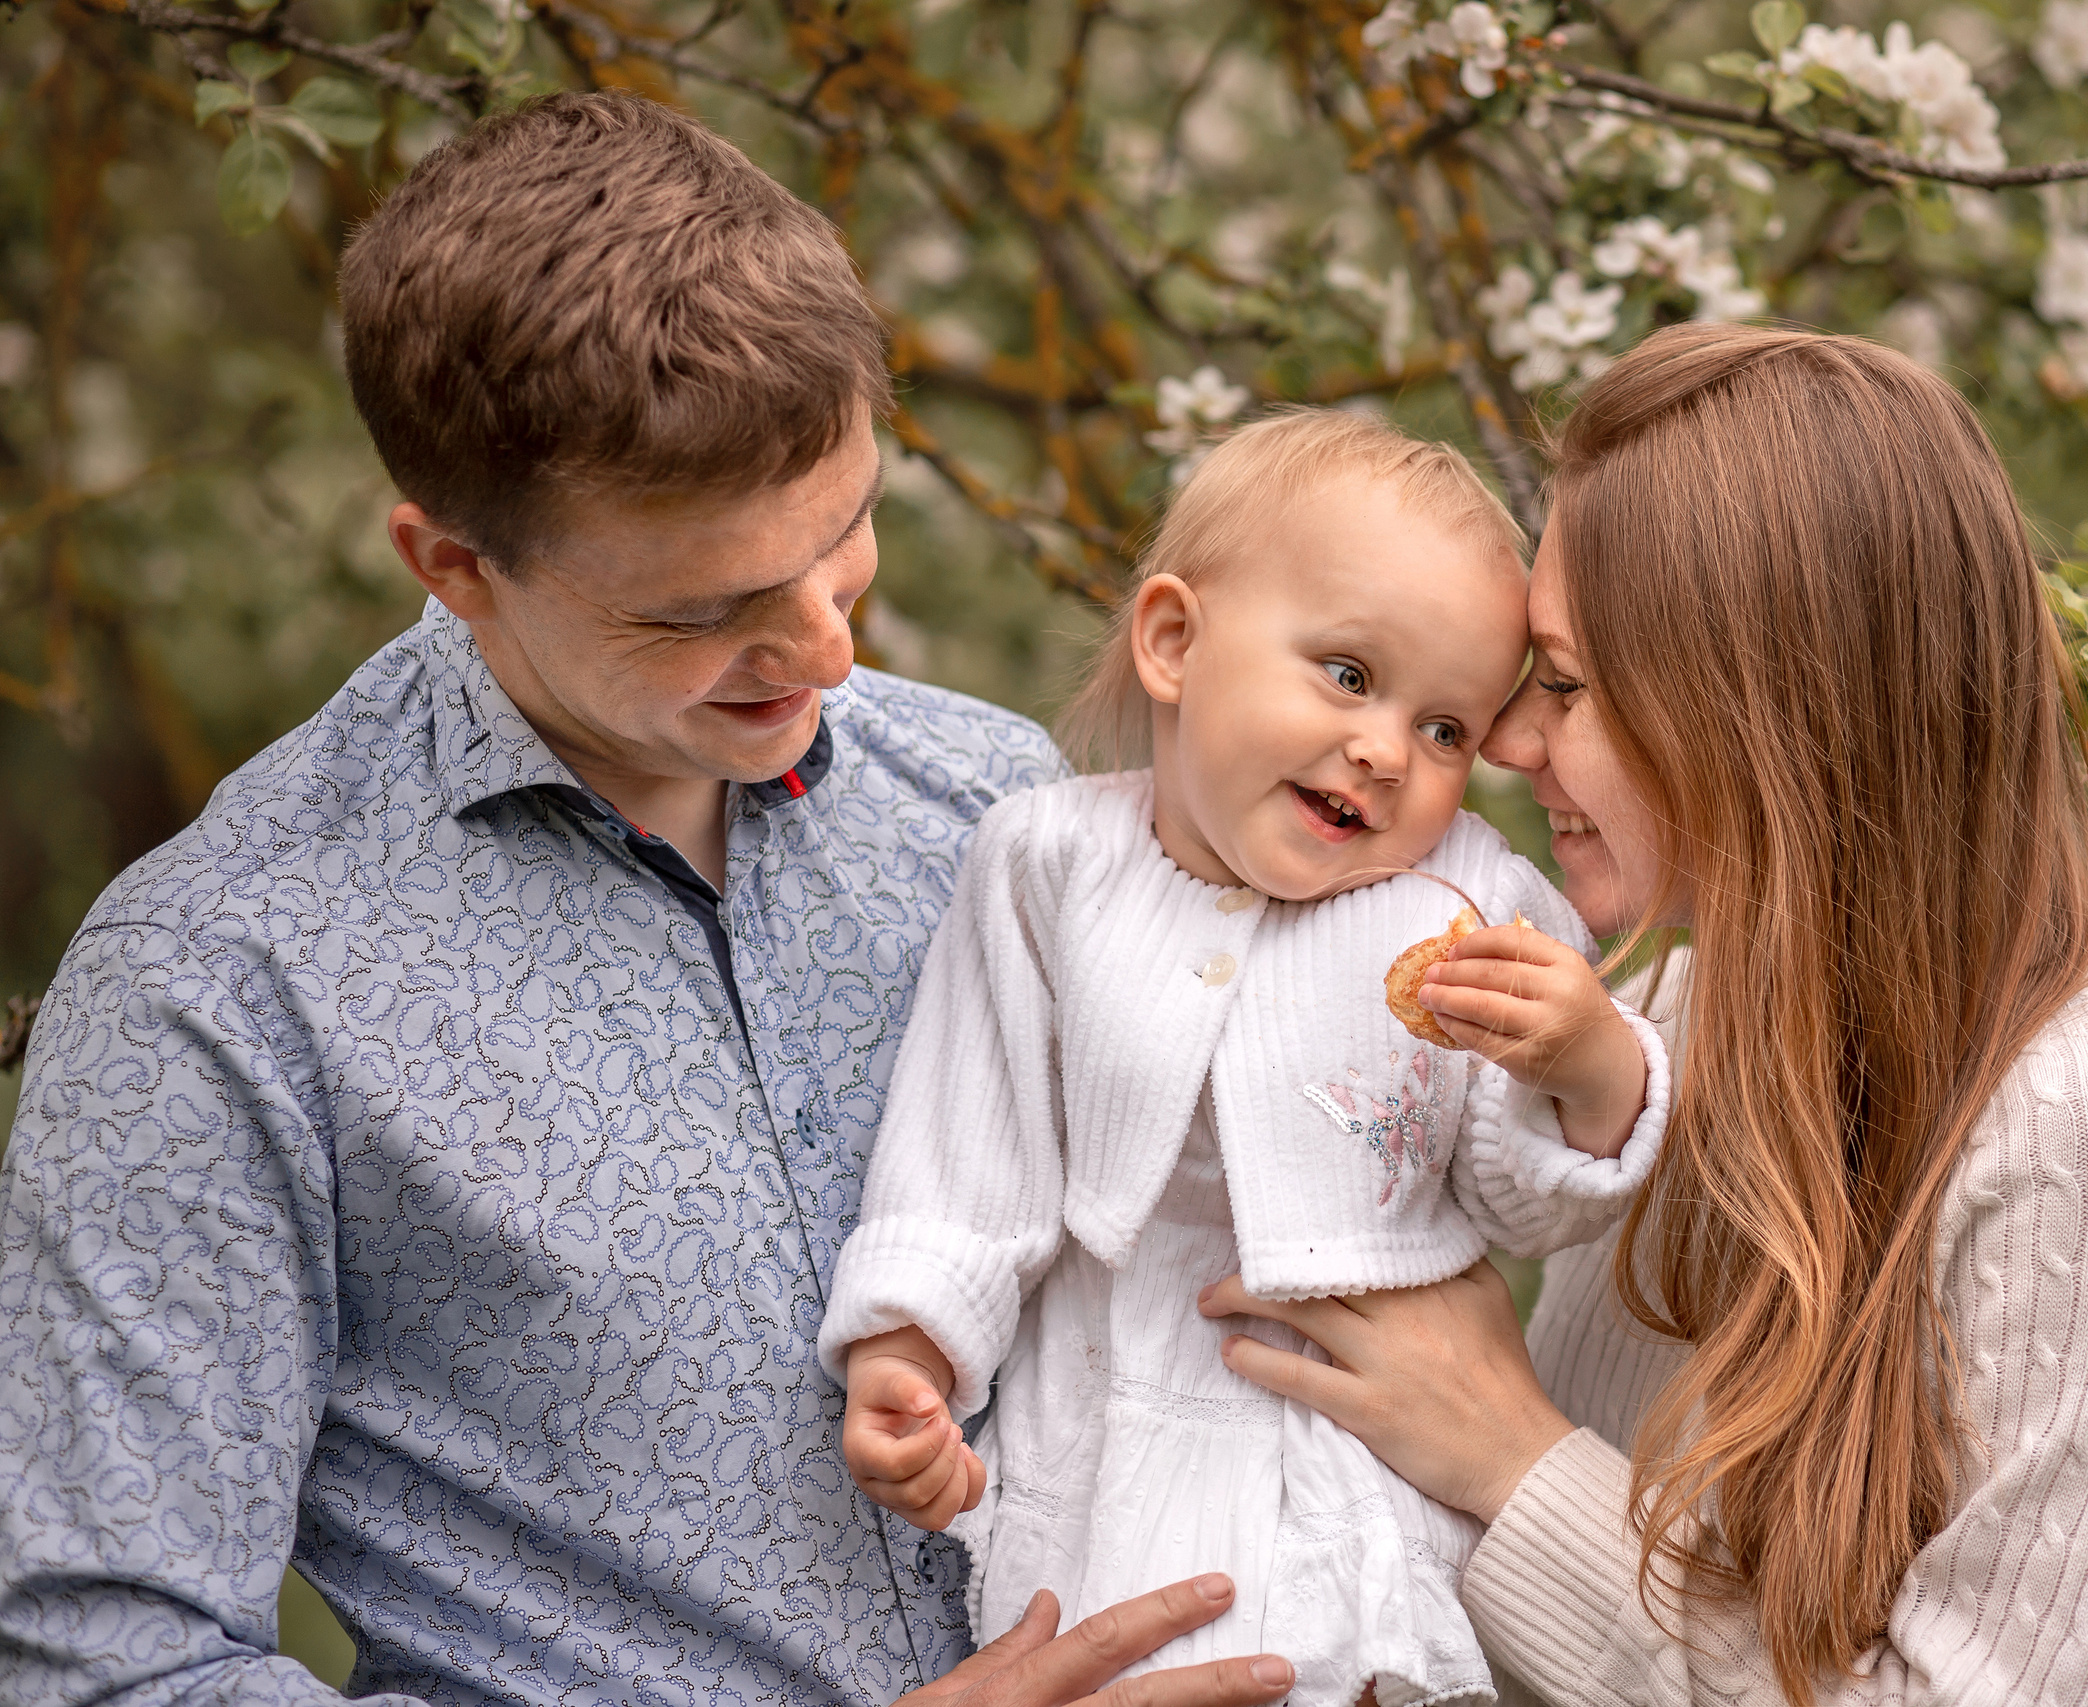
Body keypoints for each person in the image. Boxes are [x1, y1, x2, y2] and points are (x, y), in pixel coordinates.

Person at [0, 92, 1293, 1707]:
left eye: (846, 539)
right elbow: (109, 1674)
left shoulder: (993, 799)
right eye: (710, 613)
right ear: (453, 564)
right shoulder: (213, 988)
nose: (827, 650)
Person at [1202, 324, 2088, 1706]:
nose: (1516, 746)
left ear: (1763, 724)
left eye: (1573, 686)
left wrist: (1509, 1462)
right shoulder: (1665, 1018)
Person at [821, 410, 1670, 1707]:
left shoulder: (1471, 906)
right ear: (1174, 642)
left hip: (1363, 1483)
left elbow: (1525, 1209)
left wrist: (1593, 1069)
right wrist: (909, 1358)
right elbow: (965, 1156)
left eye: (1447, 729)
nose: (1387, 750)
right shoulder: (1048, 864)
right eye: (1346, 674)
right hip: (1116, 1453)